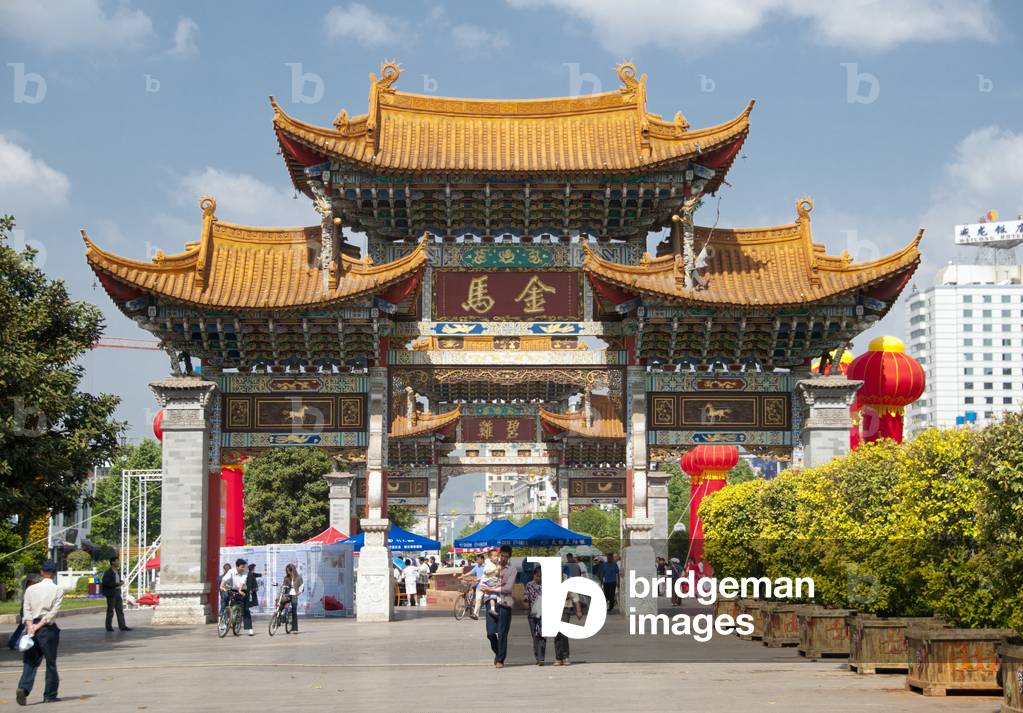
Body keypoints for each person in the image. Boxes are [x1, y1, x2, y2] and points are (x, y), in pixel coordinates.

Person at [16, 560, 63, 705]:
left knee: (30, 661)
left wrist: (31, 626)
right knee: (50, 662)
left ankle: (23, 688)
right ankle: (49, 694)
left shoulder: (31, 589)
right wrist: (39, 625)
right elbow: (53, 613)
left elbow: (26, 610)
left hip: (31, 629)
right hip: (47, 629)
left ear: (42, 572)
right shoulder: (57, 589)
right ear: (54, 573)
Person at [480, 545, 516, 668]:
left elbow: (508, 588)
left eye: (506, 556)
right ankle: (499, 653)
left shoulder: (512, 570)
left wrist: (492, 589)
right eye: (502, 556)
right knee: (490, 633)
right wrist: (485, 587)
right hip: (490, 602)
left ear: (509, 557)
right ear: (499, 555)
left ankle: (500, 659)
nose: (504, 558)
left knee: (502, 633)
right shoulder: (492, 565)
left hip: (505, 603)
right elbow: (483, 580)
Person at [555, 574, 584, 666]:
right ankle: (558, 657)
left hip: (565, 608)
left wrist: (578, 611)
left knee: (563, 633)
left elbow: (575, 597)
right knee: (557, 634)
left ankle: (565, 656)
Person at [220, 558, 253, 635]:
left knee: (245, 609)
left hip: (243, 591)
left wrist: (240, 590)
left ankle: (249, 628)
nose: (243, 568)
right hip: (233, 590)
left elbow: (242, 581)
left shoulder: (245, 572)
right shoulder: (231, 571)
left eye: (244, 567)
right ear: (237, 566)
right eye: (242, 567)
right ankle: (224, 623)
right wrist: (221, 586)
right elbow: (225, 578)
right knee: (228, 607)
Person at [7, 574, 39, 652]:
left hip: (26, 610)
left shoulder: (29, 590)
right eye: (33, 582)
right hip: (26, 611)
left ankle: (21, 643)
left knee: (25, 627)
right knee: (24, 627)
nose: (35, 583)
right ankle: (14, 643)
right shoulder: (29, 590)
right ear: (29, 583)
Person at [101, 556, 131, 632]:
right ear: (113, 562)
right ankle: (109, 627)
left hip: (117, 592)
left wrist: (121, 582)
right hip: (111, 593)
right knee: (110, 610)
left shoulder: (117, 572)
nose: (118, 562)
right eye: (117, 561)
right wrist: (117, 584)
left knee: (120, 610)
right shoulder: (108, 572)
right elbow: (106, 583)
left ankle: (122, 626)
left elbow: (116, 581)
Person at [523, 566, 546, 665]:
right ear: (534, 575)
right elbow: (525, 594)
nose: (538, 578)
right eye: (537, 576)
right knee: (535, 636)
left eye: (540, 576)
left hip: (544, 614)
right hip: (532, 614)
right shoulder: (529, 585)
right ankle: (537, 656)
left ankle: (541, 658)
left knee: (542, 636)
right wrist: (525, 598)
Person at [458, 554, 486, 620]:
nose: (477, 561)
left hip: (487, 585)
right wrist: (463, 576)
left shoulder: (487, 566)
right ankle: (475, 614)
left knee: (484, 600)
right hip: (479, 586)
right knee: (478, 599)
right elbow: (470, 572)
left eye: (478, 559)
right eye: (476, 560)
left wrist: (480, 578)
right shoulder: (477, 567)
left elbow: (487, 574)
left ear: (482, 559)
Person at [478, 549, 502, 617]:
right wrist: (495, 569)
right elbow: (486, 572)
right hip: (489, 582)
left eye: (497, 556)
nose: (496, 557)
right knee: (493, 594)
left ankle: (492, 608)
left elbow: (497, 574)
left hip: (493, 582)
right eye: (494, 556)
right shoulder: (488, 564)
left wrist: (498, 570)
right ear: (490, 558)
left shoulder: (496, 564)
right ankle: (492, 608)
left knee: (493, 595)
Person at [280, 563, 303, 634]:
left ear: (293, 570)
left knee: (294, 611)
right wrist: (282, 594)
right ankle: (279, 617)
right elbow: (283, 586)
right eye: (287, 571)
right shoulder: (286, 578)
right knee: (281, 604)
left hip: (294, 595)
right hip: (287, 594)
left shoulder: (299, 578)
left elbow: (302, 588)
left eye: (289, 570)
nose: (288, 572)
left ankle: (295, 628)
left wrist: (298, 593)